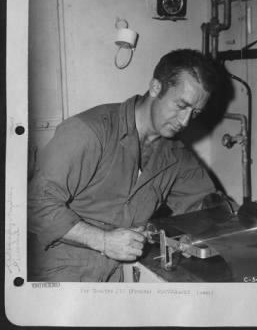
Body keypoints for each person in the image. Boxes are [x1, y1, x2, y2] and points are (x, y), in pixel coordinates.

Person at [28, 49, 223, 282]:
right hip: (58, 274)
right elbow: (35, 204)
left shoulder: (176, 155)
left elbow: (208, 209)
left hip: (119, 275)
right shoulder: (90, 131)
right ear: (156, 87)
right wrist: (102, 240)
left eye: (195, 112)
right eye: (181, 105)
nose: (185, 121)